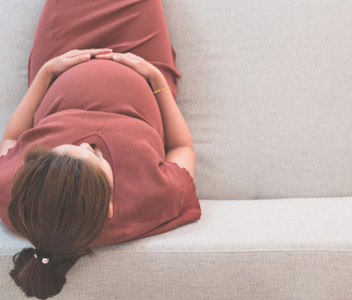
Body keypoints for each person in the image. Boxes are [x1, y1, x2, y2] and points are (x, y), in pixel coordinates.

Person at [0, 0, 201, 299]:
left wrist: (46, 73)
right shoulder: (151, 199)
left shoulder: (23, 196)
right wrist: (155, 79)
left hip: (63, 52)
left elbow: (11, 141)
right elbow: (182, 147)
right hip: (143, 59)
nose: (85, 142)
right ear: (110, 205)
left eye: (66, 147)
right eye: (95, 155)